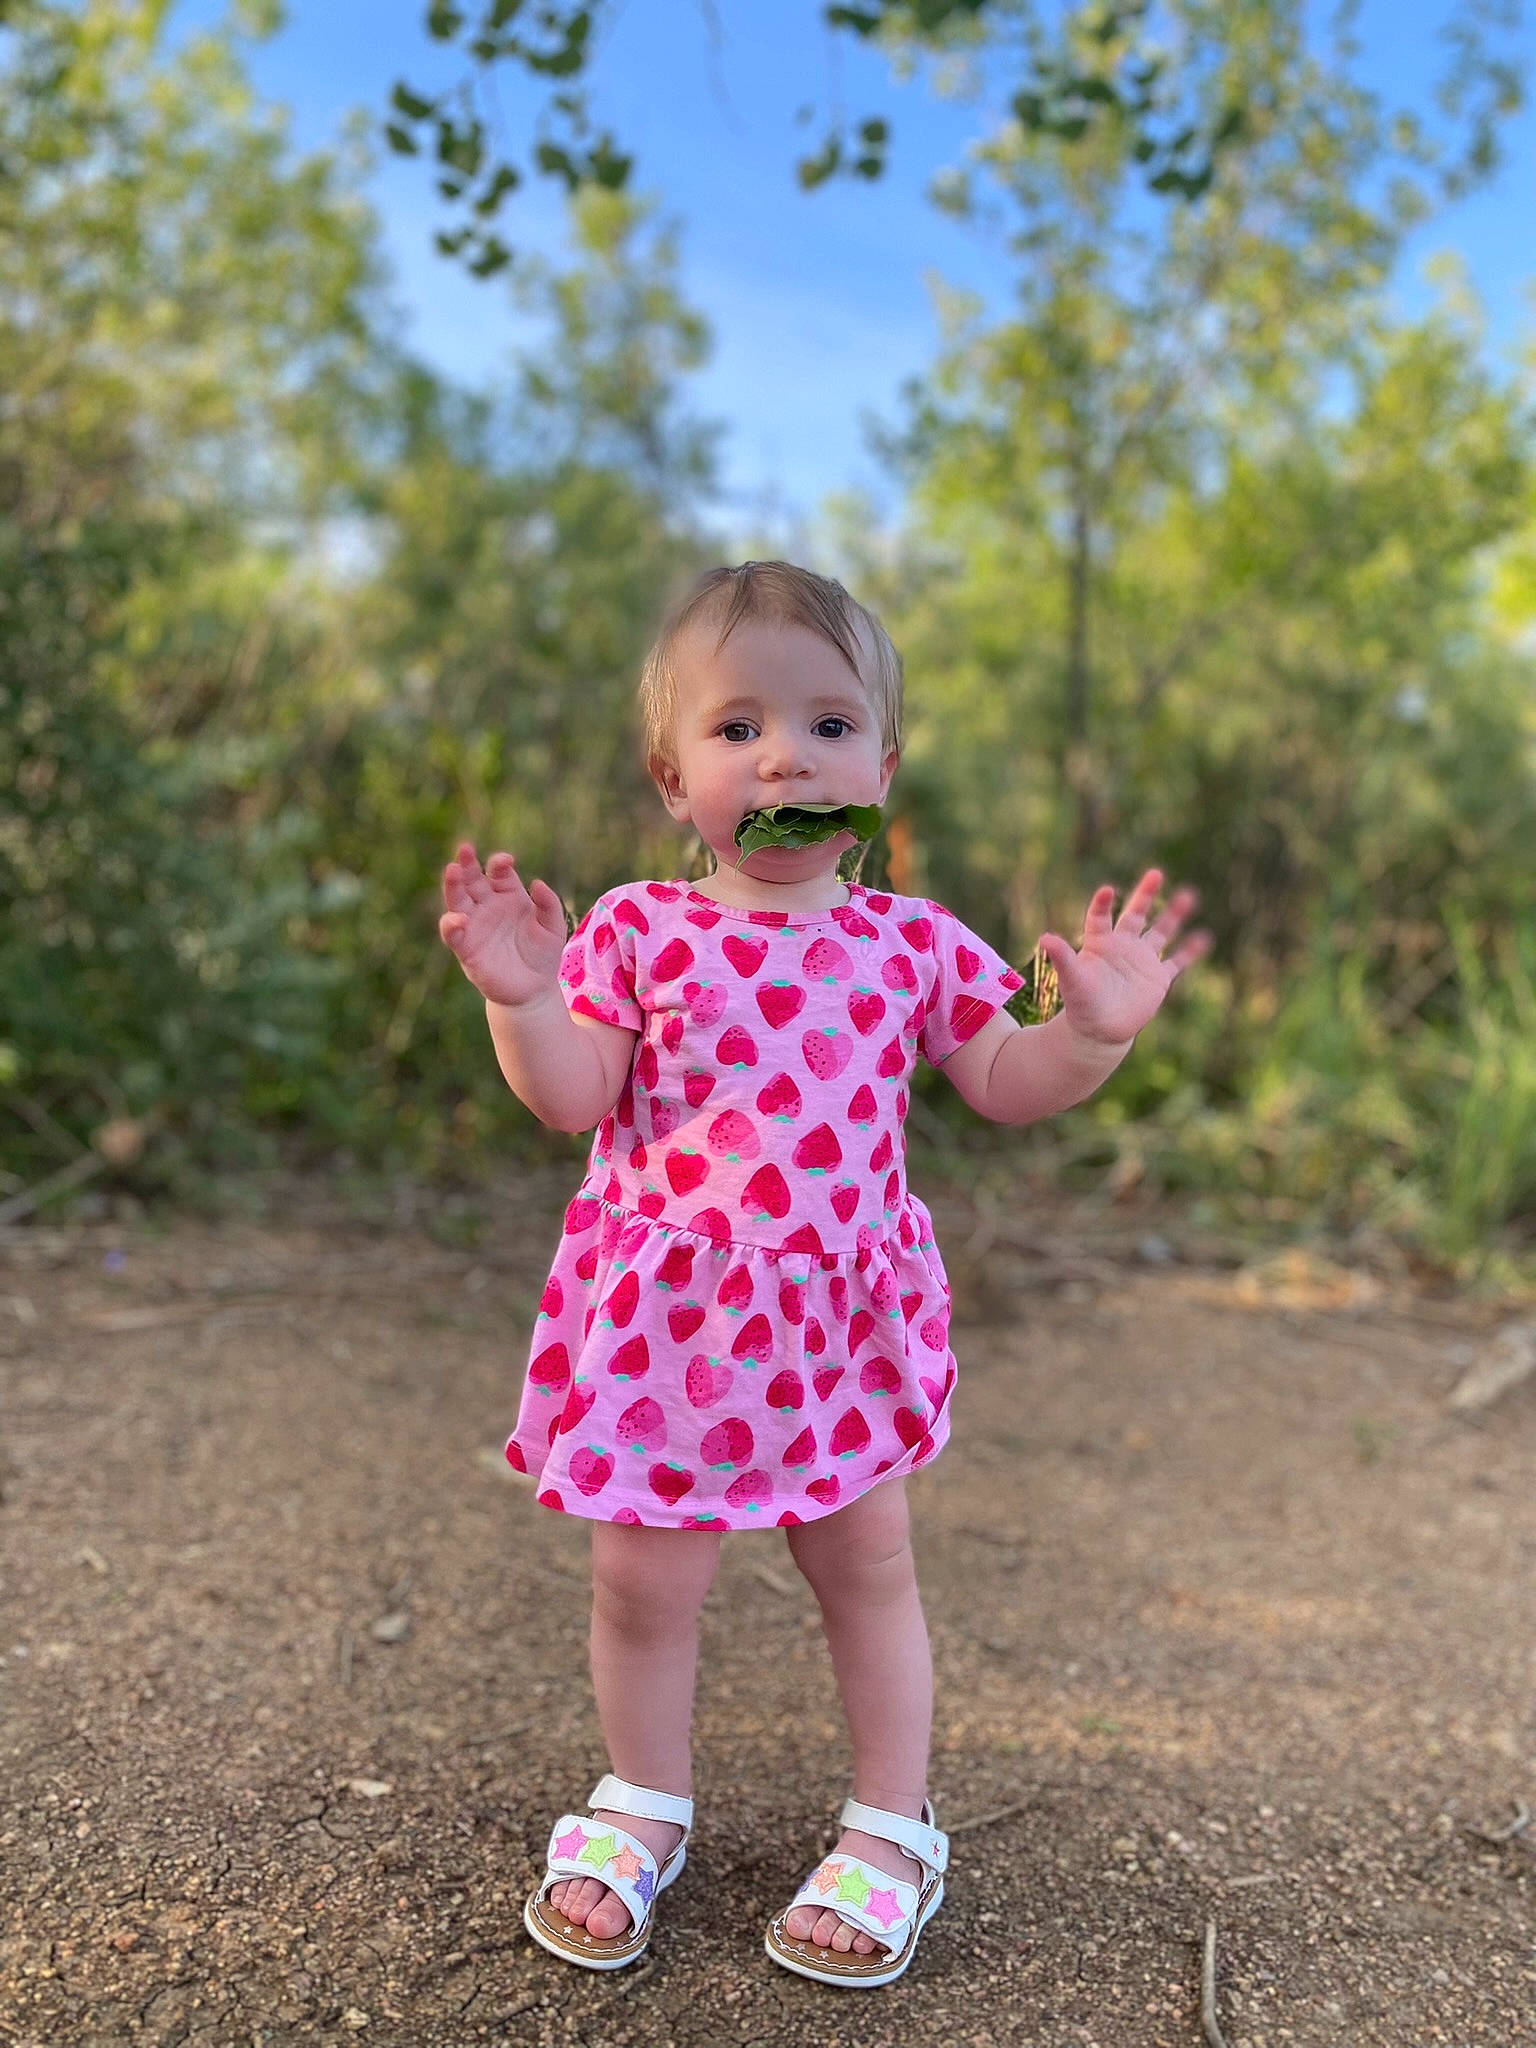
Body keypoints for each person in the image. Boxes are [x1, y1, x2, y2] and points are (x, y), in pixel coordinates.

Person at [438, 560, 1209, 1988]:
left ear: (883, 772)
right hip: (668, 1331)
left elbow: (1005, 1079)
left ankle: (892, 1826)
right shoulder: (638, 930)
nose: (786, 757)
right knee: (640, 1583)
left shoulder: (911, 944)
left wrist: (1091, 1035)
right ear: (675, 781)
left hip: (836, 1327)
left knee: (867, 1569)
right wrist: (524, 999)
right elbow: (571, 1094)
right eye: (738, 729)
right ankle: (643, 1801)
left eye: (830, 726)